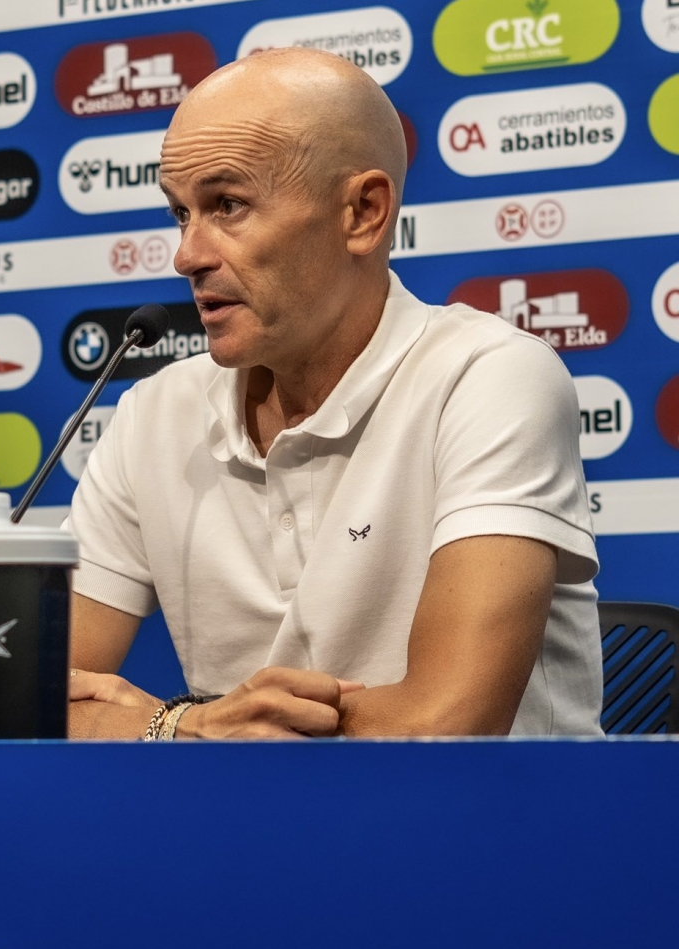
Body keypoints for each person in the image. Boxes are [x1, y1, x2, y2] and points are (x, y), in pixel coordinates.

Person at [66, 48, 602, 739]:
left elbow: (448, 722)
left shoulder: (489, 375)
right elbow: (31, 705)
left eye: (227, 205)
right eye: (180, 212)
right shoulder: (152, 414)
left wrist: (182, 726)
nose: (187, 255)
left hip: (493, 835)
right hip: (250, 837)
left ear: (363, 213)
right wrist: (189, 729)